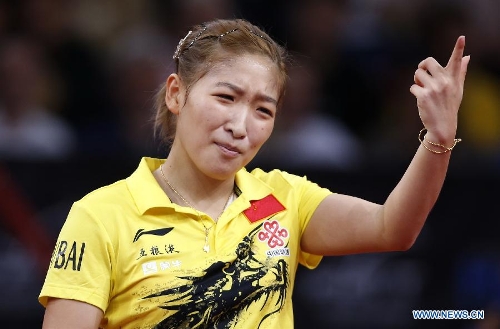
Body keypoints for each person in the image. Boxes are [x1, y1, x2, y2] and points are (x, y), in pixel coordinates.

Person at [38, 18, 470, 328]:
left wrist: (438, 136)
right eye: (226, 97)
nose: (241, 126)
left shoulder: (285, 198)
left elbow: (392, 227)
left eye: (263, 109)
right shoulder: (98, 216)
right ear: (176, 94)